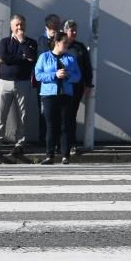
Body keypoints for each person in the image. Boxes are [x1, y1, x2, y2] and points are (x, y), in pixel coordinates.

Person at [34, 31, 81, 165]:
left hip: (65, 95)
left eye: (68, 42)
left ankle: (65, 155)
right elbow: (38, 75)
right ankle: (50, 155)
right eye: (64, 42)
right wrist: (54, 75)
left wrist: (68, 77)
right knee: (50, 125)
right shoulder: (44, 57)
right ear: (57, 42)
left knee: (65, 125)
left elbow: (77, 76)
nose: (67, 45)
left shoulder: (70, 58)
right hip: (49, 95)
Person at [0, 14, 38, 158]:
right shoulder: (5, 42)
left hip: (23, 82)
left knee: (23, 115)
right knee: (1, 115)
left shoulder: (31, 42)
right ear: (11, 26)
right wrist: (22, 58)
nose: (19, 27)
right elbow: (5, 58)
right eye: (17, 25)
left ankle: (19, 144)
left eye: (22, 25)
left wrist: (22, 42)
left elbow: (31, 58)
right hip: (4, 82)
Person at [63, 19, 94, 154]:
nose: (74, 32)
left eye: (75, 30)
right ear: (64, 31)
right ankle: (59, 144)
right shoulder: (59, 46)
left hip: (76, 87)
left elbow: (87, 67)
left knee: (71, 115)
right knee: (60, 116)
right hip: (61, 87)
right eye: (71, 30)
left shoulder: (80, 47)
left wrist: (88, 83)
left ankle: (71, 144)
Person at [36, 13, 61, 148]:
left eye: (58, 24)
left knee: (57, 113)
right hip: (45, 83)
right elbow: (43, 59)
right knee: (44, 111)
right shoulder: (41, 40)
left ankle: (56, 141)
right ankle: (43, 139)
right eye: (54, 24)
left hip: (59, 84)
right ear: (47, 25)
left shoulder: (60, 39)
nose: (57, 27)